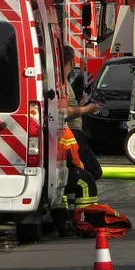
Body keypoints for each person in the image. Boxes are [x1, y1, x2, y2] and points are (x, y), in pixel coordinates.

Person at [62, 46, 103, 180]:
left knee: (77, 166)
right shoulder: (62, 83)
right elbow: (65, 111)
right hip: (72, 132)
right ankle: (77, 193)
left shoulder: (62, 80)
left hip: (70, 132)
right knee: (93, 170)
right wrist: (87, 109)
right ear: (72, 62)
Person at [53, 126, 99, 237]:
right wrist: (80, 169)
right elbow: (73, 158)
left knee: (58, 191)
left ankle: (63, 223)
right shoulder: (63, 130)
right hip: (57, 171)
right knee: (86, 181)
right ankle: (85, 224)